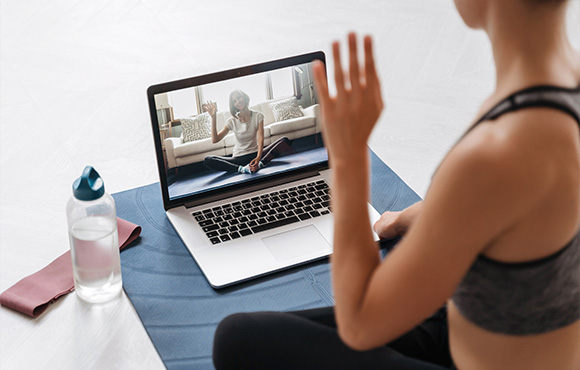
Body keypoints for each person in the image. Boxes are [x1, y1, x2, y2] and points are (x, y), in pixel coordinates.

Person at [213, 0, 580, 368]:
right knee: (245, 334)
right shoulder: (561, 88)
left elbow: (360, 324)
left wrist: (348, 158)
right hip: (473, 321)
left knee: (236, 341)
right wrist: (405, 218)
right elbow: (514, 208)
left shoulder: (493, 154)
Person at [203, 90, 292, 174]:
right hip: (238, 158)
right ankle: (242, 169)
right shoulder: (232, 121)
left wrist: (258, 158)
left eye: (239, 98)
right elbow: (215, 140)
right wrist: (213, 117)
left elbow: (260, 139)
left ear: (244, 97)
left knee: (285, 140)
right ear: (233, 105)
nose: (238, 101)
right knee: (208, 159)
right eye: (235, 101)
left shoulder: (258, 116)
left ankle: (261, 164)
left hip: (255, 153)